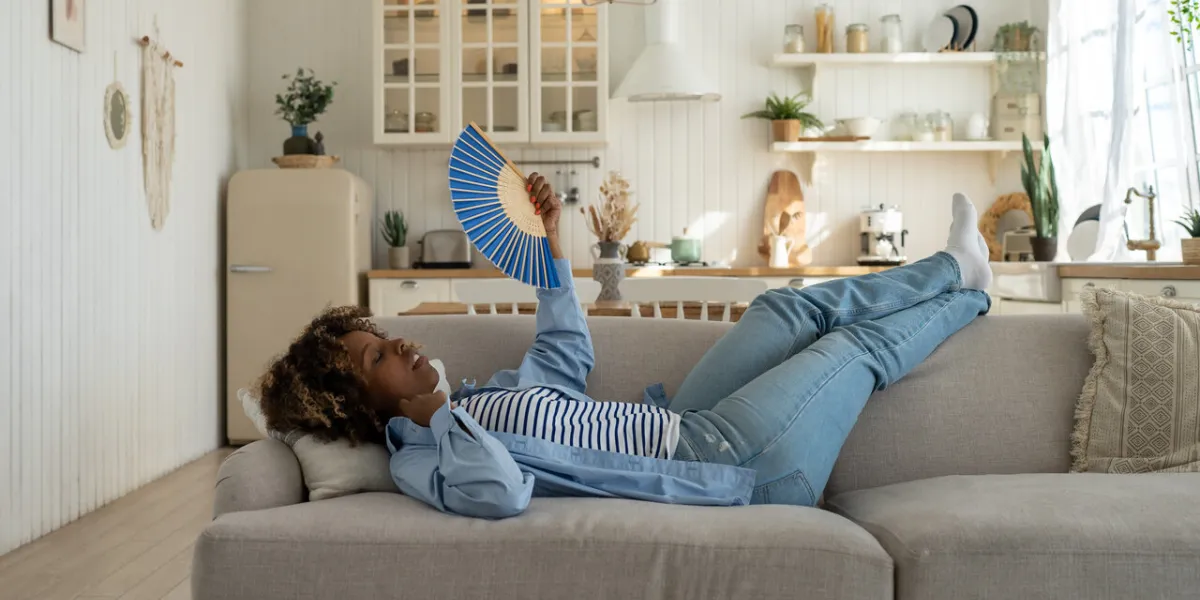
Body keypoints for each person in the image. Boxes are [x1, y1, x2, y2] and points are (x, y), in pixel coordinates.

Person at [256, 173, 993, 519]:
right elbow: (503, 493)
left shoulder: (489, 395)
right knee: (848, 351)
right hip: (731, 466)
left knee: (779, 311)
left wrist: (546, 248)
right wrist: (439, 413)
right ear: (358, 403)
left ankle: (952, 267)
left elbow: (567, 352)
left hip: (688, 423)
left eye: (382, 337)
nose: (399, 345)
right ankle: (969, 285)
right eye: (375, 357)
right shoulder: (427, 458)